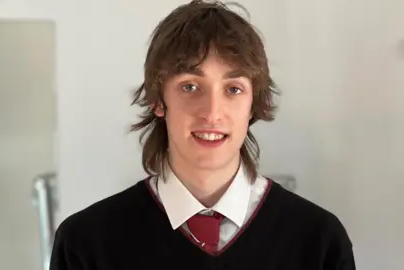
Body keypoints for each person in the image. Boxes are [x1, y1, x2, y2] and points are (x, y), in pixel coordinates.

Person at [49, 1, 356, 269]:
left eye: (233, 89)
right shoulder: (86, 243)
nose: (212, 112)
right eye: (190, 87)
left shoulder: (317, 241)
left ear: (253, 104)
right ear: (158, 100)